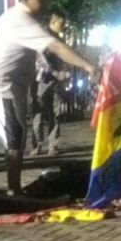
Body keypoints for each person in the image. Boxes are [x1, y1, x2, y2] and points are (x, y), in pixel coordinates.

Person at [0, 0, 96, 196]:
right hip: (4, 86)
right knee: (16, 135)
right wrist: (87, 65)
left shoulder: (8, 15)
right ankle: (14, 190)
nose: (45, 3)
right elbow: (55, 46)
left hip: (0, 84)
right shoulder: (22, 20)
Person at [31, 9, 70, 156]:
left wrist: (65, 72)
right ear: (53, 21)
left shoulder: (60, 40)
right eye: (62, 22)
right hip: (42, 80)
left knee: (56, 112)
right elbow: (41, 59)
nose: (63, 25)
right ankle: (37, 144)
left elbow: (65, 58)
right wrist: (56, 73)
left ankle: (53, 144)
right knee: (38, 113)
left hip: (56, 81)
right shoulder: (43, 37)